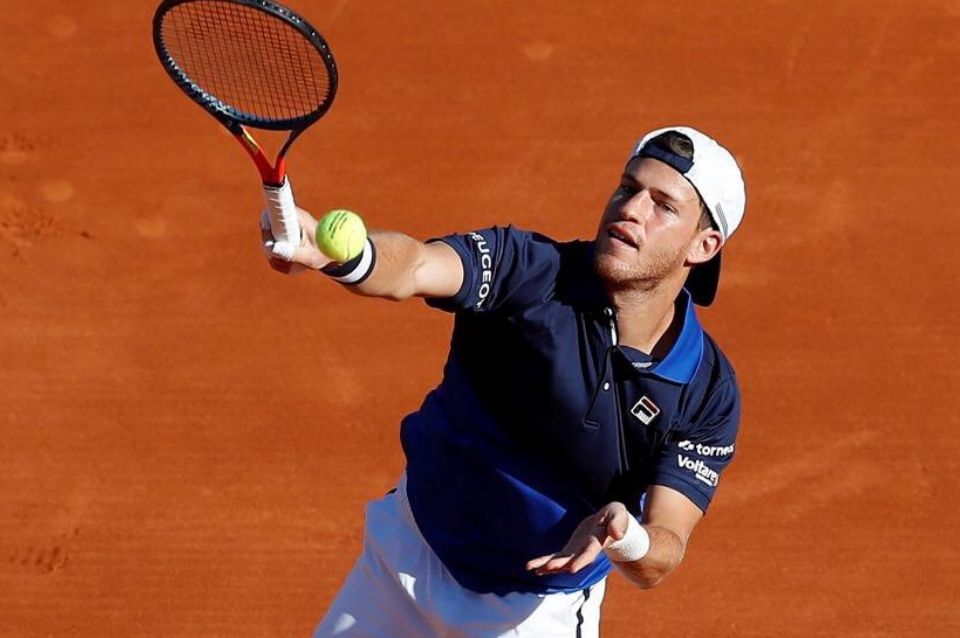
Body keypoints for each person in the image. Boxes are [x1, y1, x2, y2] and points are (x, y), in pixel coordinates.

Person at [260, 125, 746, 637]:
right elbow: (417, 265)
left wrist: (628, 536)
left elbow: (663, 548)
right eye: (628, 188)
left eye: (663, 206)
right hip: (403, 558)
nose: (632, 209)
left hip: (528, 615)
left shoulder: (706, 391)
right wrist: (351, 257)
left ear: (704, 245)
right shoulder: (528, 269)